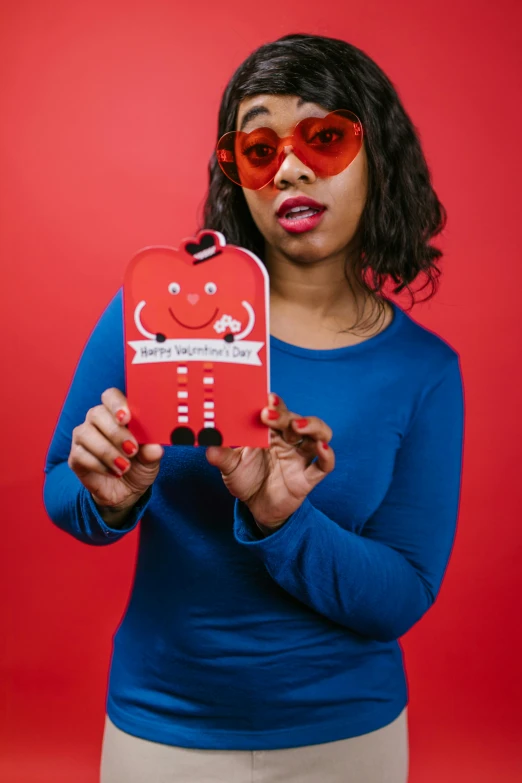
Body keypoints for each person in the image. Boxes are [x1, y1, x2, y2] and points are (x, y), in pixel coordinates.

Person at [43, 33, 465, 783]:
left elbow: (402, 594)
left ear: (380, 159)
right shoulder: (154, 313)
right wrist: (108, 497)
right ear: (234, 176)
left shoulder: (424, 370)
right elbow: (62, 489)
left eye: (326, 137)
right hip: (160, 729)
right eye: (259, 148)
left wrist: (282, 518)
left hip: (347, 738)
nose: (291, 167)